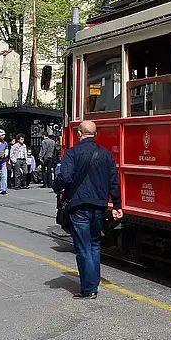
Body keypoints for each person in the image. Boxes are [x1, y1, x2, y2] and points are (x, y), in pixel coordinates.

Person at [53, 121, 122, 299]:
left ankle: (89, 288)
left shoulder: (73, 153)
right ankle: (93, 282)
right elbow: (114, 181)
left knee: (83, 247)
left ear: (78, 133)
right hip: (99, 206)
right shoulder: (105, 154)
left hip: (79, 205)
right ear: (95, 134)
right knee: (94, 245)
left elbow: (65, 177)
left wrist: (57, 187)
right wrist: (117, 205)